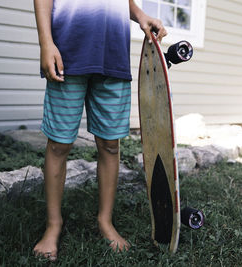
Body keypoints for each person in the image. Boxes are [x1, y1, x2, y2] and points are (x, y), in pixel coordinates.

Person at [33, 0, 167, 261]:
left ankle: (105, 221)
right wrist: (45, 43)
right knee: (58, 145)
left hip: (113, 56)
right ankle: (53, 225)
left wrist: (139, 15)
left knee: (110, 145)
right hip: (67, 53)